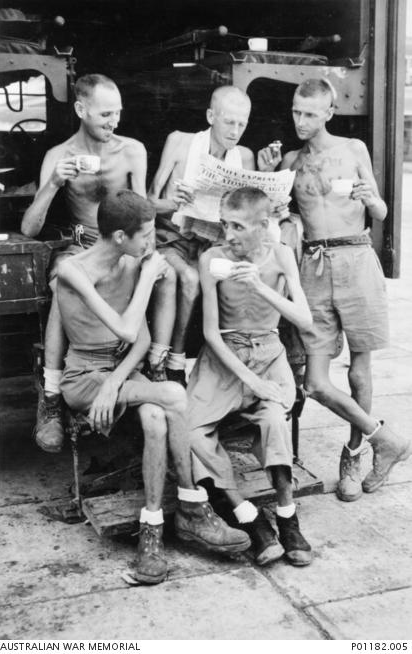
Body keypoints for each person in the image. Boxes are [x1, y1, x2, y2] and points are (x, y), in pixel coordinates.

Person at [56, 189, 251, 585]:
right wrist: (148, 276)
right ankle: (193, 506)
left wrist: (114, 383)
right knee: (175, 394)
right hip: (82, 377)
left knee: (158, 419)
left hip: (121, 374)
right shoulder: (72, 270)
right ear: (119, 237)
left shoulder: (130, 263)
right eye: (146, 235)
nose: (153, 242)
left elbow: (140, 340)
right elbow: (125, 328)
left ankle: (153, 530)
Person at [260, 77, 411, 502]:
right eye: (296, 111)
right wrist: (268, 169)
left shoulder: (353, 150)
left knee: (360, 371)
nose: (301, 120)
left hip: (358, 258)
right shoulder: (290, 160)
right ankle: (386, 438)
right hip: (314, 264)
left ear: (330, 112)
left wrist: (370, 197)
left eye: (310, 113)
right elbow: (275, 211)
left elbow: (380, 210)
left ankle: (354, 452)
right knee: (316, 381)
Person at [186, 187, 313, 567]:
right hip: (224, 355)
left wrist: (259, 284)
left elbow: (304, 320)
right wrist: (251, 382)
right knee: (189, 432)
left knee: (274, 418)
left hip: (268, 351)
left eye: (238, 226)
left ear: (263, 225)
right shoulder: (212, 258)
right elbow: (211, 333)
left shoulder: (281, 255)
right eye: (225, 223)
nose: (229, 234)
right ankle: (248, 516)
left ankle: (287, 516)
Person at [21, 73, 147, 453]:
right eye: (106, 113)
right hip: (80, 247)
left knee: (166, 276)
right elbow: (30, 229)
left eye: (118, 113)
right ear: (81, 109)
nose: (114, 122)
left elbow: (143, 213)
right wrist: (53, 184)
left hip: (124, 245)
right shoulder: (58, 156)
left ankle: (155, 365)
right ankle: (52, 393)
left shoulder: (132, 150)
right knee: (63, 281)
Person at [147, 86, 273, 385]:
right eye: (229, 122)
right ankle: (174, 360)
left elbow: (248, 214)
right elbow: (150, 202)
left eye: (242, 123)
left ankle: (238, 359)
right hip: (172, 240)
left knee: (248, 276)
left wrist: (266, 176)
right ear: (210, 116)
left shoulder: (243, 156)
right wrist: (176, 202)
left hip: (213, 244)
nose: (236, 130)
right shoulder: (179, 143)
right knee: (189, 279)